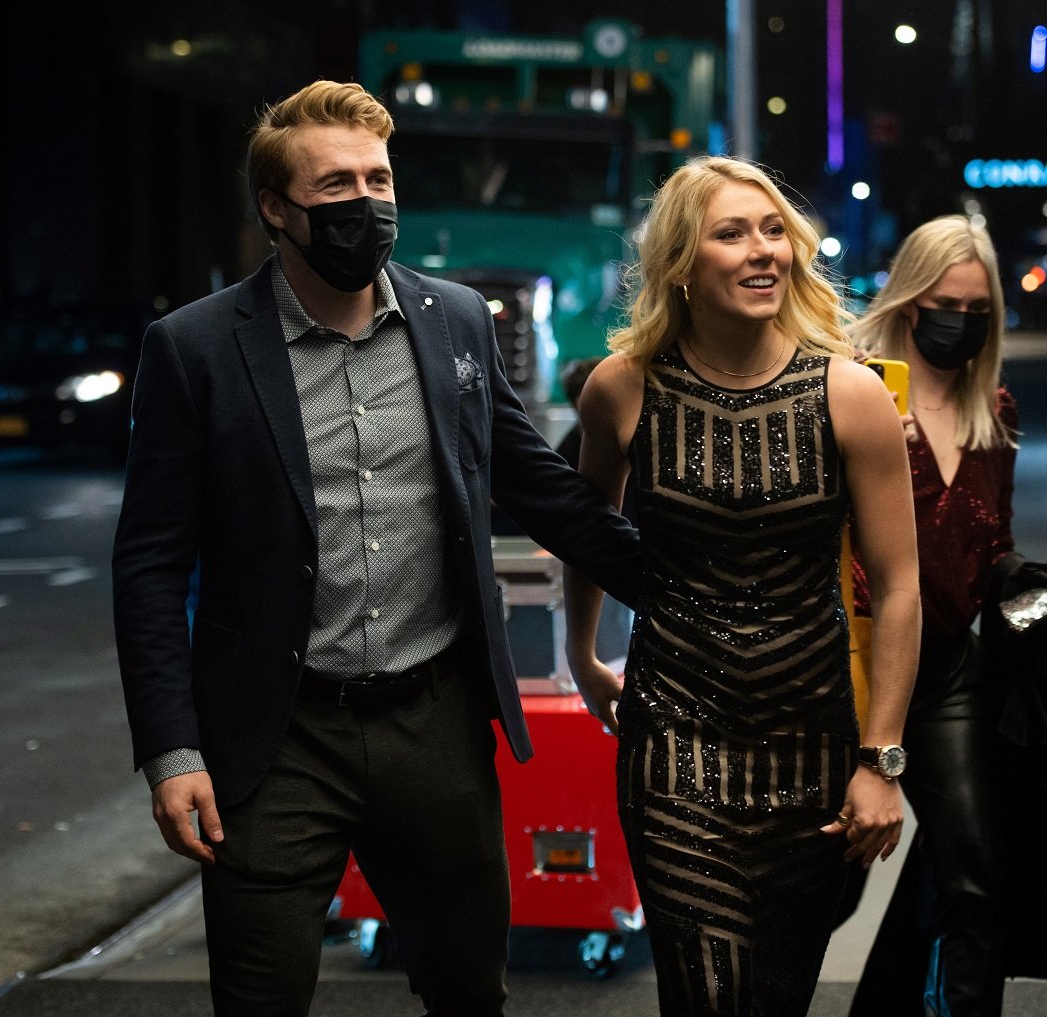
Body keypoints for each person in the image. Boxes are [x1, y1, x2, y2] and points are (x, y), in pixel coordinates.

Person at [110, 79, 641, 1017]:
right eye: (335, 185)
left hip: (431, 721)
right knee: (260, 996)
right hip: (274, 741)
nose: (366, 203)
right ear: (276, 208)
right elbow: (150, 564)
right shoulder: (193, 350)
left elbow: (544, 493)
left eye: (379, 178)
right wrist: (172, 751)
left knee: (470, 991)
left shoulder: (457, 323)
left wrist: (700, 578)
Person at [562, 154, 922, 1016]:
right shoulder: (620, 389)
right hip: (674, 742)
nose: (765, 252)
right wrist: (581, 657)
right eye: (733, 233)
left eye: (774, 232)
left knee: (774, 995)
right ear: (682, 262)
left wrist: (881, 759)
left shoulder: (851, 394)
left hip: (814, 749)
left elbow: (900, 586)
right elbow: (586, 535)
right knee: (707, 993)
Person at [840, 214, 1022, 1017]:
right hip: (851, 659)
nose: (961, 320)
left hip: (946, 666)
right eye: (947, 301)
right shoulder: (855, 388)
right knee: (831, 887)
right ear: (911, 299)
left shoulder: (995, 412)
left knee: (975, 871)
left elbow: (996, 542)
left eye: (979, 309)